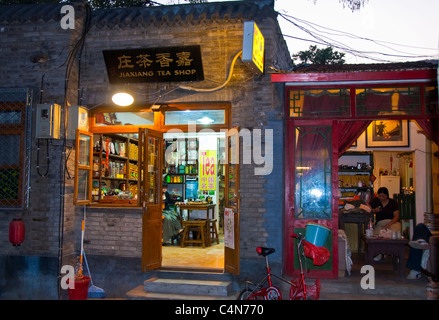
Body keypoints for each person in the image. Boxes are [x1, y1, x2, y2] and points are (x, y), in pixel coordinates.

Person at [367, 187, 401, 261]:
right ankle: (379, 253)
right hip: (380, 222)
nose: (381, 198)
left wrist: (388, 225)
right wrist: (374, 210)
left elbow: (396, 216)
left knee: (393, 234)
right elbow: (366, 208)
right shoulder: (375, 201)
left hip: (393, 222)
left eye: (383, 196)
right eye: (380, 196)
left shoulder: (393, 202)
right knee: (377, 235)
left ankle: (396, 254)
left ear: (387, 196)